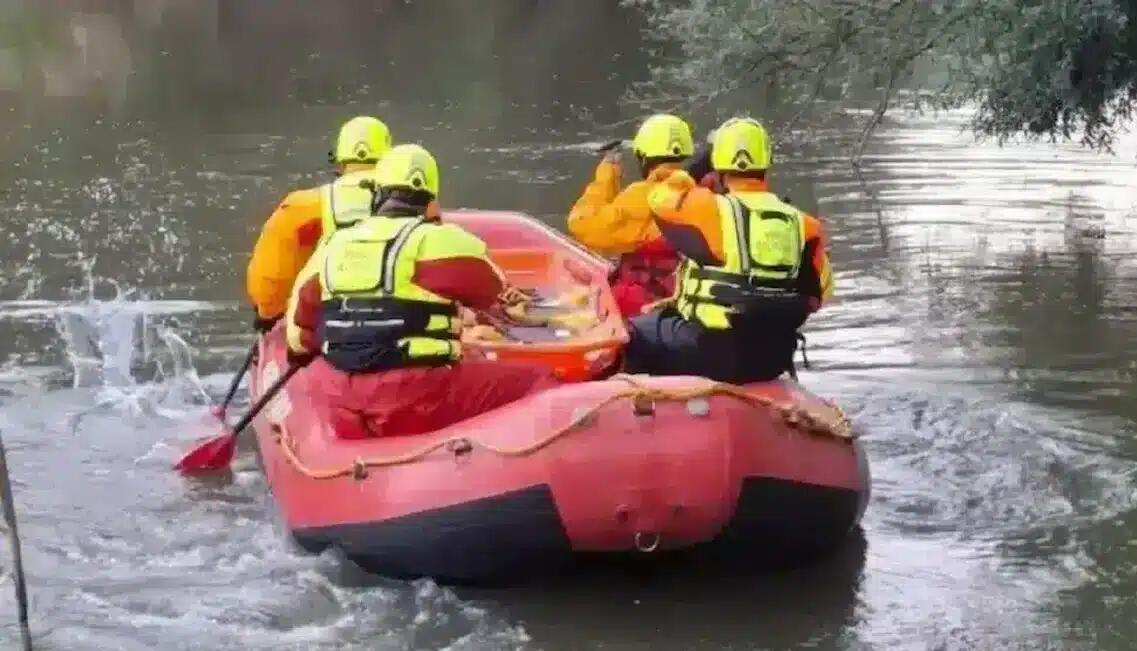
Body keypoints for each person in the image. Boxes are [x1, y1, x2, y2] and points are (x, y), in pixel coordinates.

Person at [284, 144, 558, 438]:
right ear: (431, 202)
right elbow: (499, 299)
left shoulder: (333, 246)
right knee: (540, 380)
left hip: (342, 402)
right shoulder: (440, 241)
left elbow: (301, 334)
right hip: (412, 400)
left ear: (377, 196)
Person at [623, 117, 835, 385]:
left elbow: (659, 193)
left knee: (635, 333)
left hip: (711, 353)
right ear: (766, 165)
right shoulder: (805, 225)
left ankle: (643, 412)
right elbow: (823, 291)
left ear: (718, 167)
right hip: (773, 358)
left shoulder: (710, 211)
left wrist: (698, 166)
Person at [245, 116, 392, 332]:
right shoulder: (416, 206)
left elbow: (269, 280)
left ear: (340, 162)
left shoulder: (300, 210)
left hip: (325, 328)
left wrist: (269, 316)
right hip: (395, 323)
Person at [566, 113, 694, 318]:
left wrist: (608, 169)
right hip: (679, 299)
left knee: (572, 301)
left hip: (643, 303)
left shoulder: (643, 195)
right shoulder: (700, 193)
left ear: (643, 157)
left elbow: (582, 225)